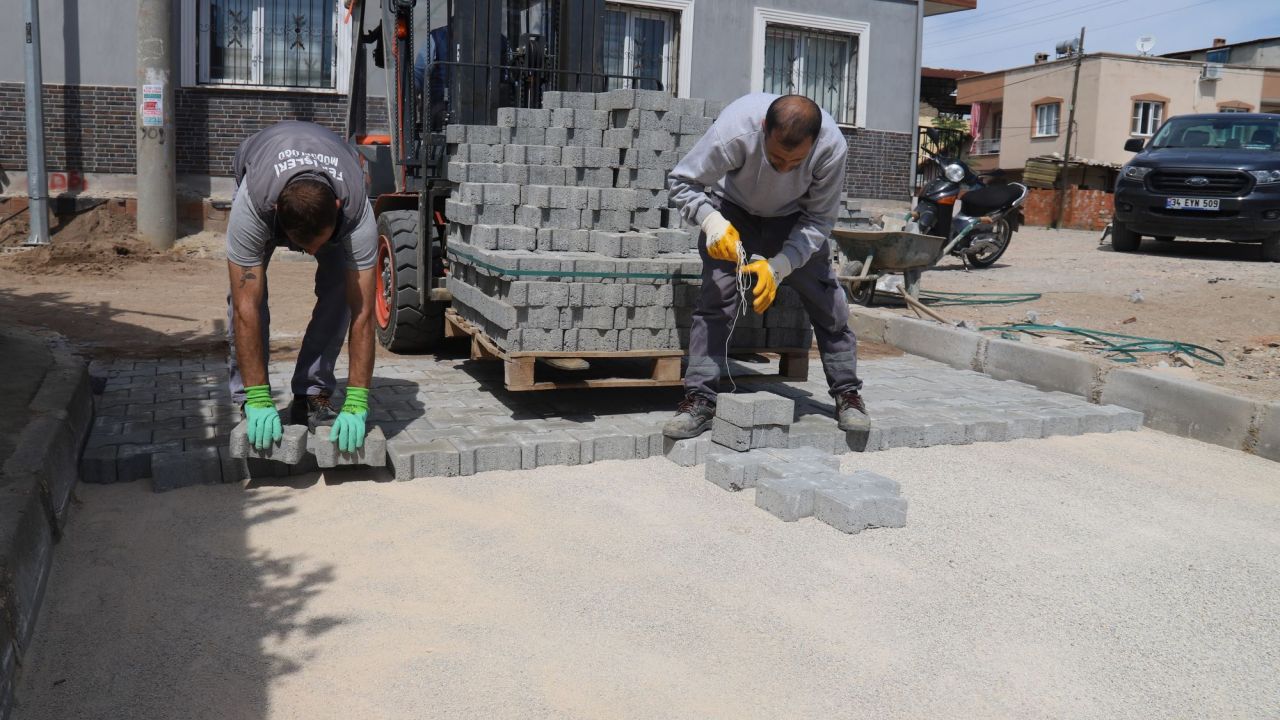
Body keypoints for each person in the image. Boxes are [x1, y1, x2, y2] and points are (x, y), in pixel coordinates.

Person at [663, 93, 869, 439]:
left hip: (795, 219)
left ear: (814, 142)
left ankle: (848, 393)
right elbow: (682, 182)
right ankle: (699, 399)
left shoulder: (831, 148)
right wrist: (712, 222)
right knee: (715, 301)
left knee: (828, 305)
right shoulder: (735, 130)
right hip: (732, 212)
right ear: (763, 130)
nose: (786, 167)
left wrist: (780, 265)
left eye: (796, 162)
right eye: (776, 158)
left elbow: (819, 220)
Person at [225, 121, 378, 453]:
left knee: (342, 294)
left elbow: (364, 312)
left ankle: (314, 394)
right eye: (302, 245)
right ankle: (247, 398)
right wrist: (258, 397)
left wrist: (358, 400)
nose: (310, 254)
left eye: (317, 245)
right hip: (262, 170)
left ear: (337, 211)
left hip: (336, 188)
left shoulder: (356, 211)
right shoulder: (254, 205)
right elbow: (244, 308)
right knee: (245, 297)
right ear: (278, 213)